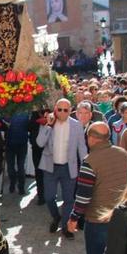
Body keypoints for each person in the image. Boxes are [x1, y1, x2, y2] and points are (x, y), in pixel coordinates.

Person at [67, 122, 127, 254]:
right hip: (123, 216)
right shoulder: (124, 154)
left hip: (98, 218)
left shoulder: (90, 161)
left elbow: (83, 196)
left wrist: (73, 218)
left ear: (92, 139)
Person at [36, 98, 88, 238]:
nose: (62, 112)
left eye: (66, 110)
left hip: (68, 167)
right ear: (55, 109)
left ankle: (65, 226)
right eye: (59, 109)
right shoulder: (49, 123)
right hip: (50, 167)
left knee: (69, 199)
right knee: (48, 197)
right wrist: (48, 125)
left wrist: (85, 166)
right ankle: (56, 216)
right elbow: (40, 143)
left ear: (71, 110)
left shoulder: (77, 125)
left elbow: (82, 147)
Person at [5, 112, 30, 195]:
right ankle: (19, 186)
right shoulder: (26, 113)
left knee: (15, 166)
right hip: (15, 143)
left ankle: (15, 184)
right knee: (18, 167)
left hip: (16, 143)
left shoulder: (7, 112)